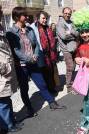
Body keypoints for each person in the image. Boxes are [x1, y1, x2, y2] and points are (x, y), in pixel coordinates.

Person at [6, 7, 65, 118]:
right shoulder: (11, 32)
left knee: (42, 83)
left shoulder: (29, 29)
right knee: (24, 88)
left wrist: (36, 55)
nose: (27, 17)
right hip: (21, 66)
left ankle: (52, 103)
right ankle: (30, 109)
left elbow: (36, 45)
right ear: (17, 17)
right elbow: (15, 50)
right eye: (24, 15)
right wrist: (29, 58)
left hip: (33, 63)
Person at [0, 5, 22, 133]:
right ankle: (7, 126)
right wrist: (5, 68)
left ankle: (10, 121)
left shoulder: (1, 28)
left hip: (6, 72)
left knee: (6, 98)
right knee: (2, 101)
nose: (1, 14)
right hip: (3, 72)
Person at [31, 11, 59, 94]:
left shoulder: (47, 28)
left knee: (50, 71)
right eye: (43, 18)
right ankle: (47, 90)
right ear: (38, 18)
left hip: (50, 53)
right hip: (40, 52)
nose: (45, 20)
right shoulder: (33, 27)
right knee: (44, 72)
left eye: (46, 18)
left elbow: (51, 40)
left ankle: (51, 87)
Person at [56, 7, 79, 91]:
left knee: (74, 66)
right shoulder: (60, 24)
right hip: (66, 49)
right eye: (66, 13)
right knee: (70, 67)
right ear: (63, 13)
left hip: (74, 47)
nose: (67, 15)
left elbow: (77, 33)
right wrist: (73, 35)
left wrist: (71, 32)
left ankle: (71, 81)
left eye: (69, 13)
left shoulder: (72, 23)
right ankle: (69, 86)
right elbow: (64, 36)